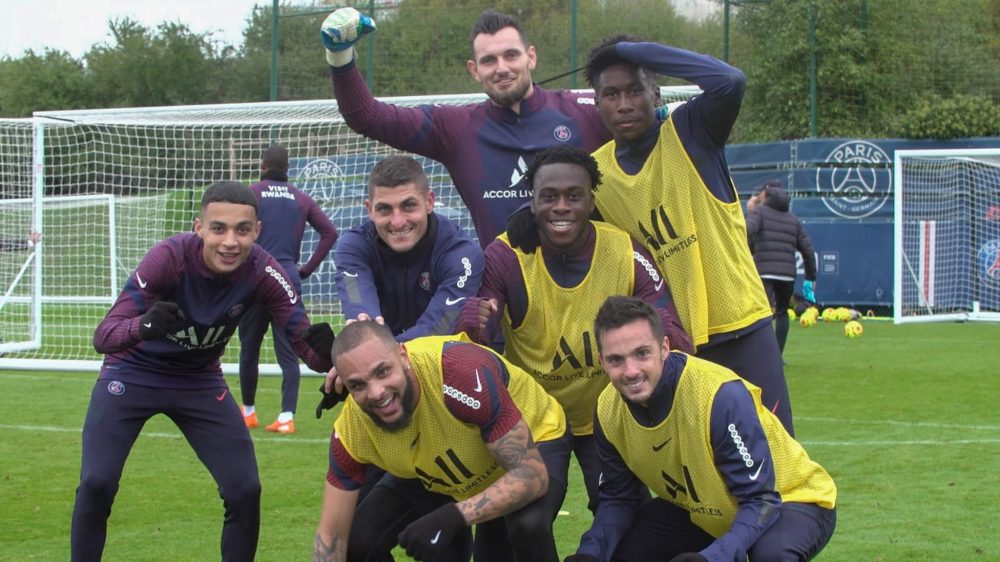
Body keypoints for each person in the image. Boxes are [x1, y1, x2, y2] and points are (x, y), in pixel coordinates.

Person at [70, 181, 335, 562]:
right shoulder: (169, 256)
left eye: (242, 230)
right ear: (199, 227)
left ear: (256, 232)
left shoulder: (266, 271)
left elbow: (308, 349)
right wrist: (144, 326)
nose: (230, 241)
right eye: (218, 228)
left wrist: (335, 359)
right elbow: (105, 335)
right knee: (96, 483)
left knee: (245, 489)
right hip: (133, 371)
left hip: (198, 380)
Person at [455, 145, 691, 514]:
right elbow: (472, 338)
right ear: (531, 203)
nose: (561, 206)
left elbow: (668, 330)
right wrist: (475, 324)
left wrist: (672, 384)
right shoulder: (506, 255)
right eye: (548, 197)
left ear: (590, 200)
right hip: (537, 415)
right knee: (526, 520)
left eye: (574, 196)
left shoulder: (624, 250)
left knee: (625, 512)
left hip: (608, 412)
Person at [582, 36, 796, 434]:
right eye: (611, 94)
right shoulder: (597, 173)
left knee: (778, 456)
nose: (624, 104)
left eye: (634, 90)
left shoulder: (692, 132)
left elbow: (729, 81)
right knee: (705, 472)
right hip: (673, 347)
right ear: (597, 103)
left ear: (655, 93)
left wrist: (635, 50)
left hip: (742, 326)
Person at [566, 296, 837, 562]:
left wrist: (712, 557)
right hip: (705, 510)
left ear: (664, 348)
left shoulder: (718, 397)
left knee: (770, 555)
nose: (631, 371)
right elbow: (618, 497)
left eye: (642, 353)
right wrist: (591, 553)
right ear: (602, 362)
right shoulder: (606, 410)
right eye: (616, 360)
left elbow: (761, 501)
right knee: (623, 549)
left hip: (790, 499)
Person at [319, 7, 612, 246]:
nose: (501, 68)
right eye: (489, 60)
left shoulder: (584, 110)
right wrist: (340, 57)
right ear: (474, 70)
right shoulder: (456, 128)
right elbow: (367, 117)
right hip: (510, 300)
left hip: (591, 292)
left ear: (530, 57)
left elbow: (644, 120)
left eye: (511, 55)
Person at [312, 321, 571, 562]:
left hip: (532, 444)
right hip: (440, 466)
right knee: (357, 543)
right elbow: (331, 536)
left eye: (383, 371)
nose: (377, 392)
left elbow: (531, 476)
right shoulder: (351, 429)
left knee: (528, 527)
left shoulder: (460, 372)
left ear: (403, 356)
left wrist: (455, 515)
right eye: (358, 385)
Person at [239, 144, 339, 434]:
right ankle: (286, 417)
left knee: (250, 348)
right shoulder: (301, 198)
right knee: (289, 350)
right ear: (287, 168)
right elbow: (330, 232)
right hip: (287, 279)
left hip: (256, 278)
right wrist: (305, 268)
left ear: (262, 165)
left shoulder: (252, 193)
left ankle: (249, 412)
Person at [334, 154, 484, 342]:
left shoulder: (462, 255)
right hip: (383, 364)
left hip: (442, 361)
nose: (398, 222)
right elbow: (360, 309)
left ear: (429, 202)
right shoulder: (353, 247)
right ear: (369, 210)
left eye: (409, 206)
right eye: (384, 209)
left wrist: (380, 353)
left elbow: (439, 327)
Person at [745, 179, 817, 355]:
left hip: (764, 272)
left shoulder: (760, 212)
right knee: (782, 313)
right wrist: (810, 278)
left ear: (765, 194)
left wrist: (751, 210)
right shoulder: (793, 219)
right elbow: (807, 250)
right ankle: (777, 356)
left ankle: (763, 355)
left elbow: (747, 231)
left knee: (762, 313)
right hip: (787, 275)